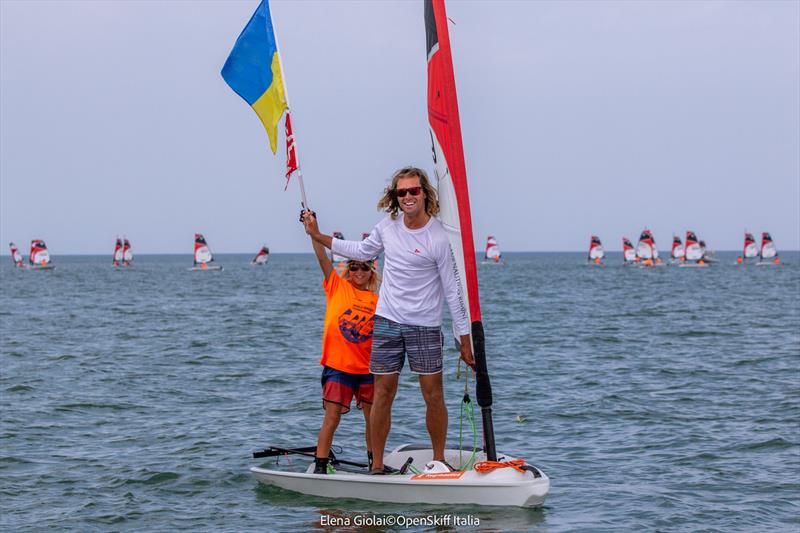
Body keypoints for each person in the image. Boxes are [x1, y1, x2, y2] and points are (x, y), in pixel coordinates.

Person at [302, 166, 475, 475]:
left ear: (424, 194)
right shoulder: (387, 227)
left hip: (424, 325)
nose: (408, 196)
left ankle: (439, 460)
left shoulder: (438, 236)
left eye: (414, 191)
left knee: (433, 394)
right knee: (382, 393)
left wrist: (465, 340)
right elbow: (360, 249)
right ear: (395, 197)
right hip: (387, 321)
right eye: (402, 192)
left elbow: (452, 290)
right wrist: (318, 235)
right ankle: (377, 465)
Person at [305, 224, 381, 475]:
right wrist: (313, 232)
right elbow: (321, 257)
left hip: (368, 368)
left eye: (364, 267)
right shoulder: (337, 286)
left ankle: (375, 464)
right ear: (349, 270)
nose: (359, 271)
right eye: (354, 266)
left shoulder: (378, 300)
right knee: (332, 416)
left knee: (372, 419)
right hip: (338, 366)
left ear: (372, 272)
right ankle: (320, 465)